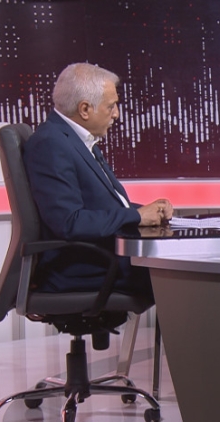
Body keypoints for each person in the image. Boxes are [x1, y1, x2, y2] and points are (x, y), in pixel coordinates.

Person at [24, 62, 173, 299]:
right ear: (85, 109)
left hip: (101, 260)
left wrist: (148, 211)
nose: (116, 114)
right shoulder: (51, 144)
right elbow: (70, 222)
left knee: (181, 271)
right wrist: (136, 216)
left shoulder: (76, 141)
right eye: (111, 106)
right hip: (82, 269)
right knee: (186, 277)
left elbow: (101, 206)